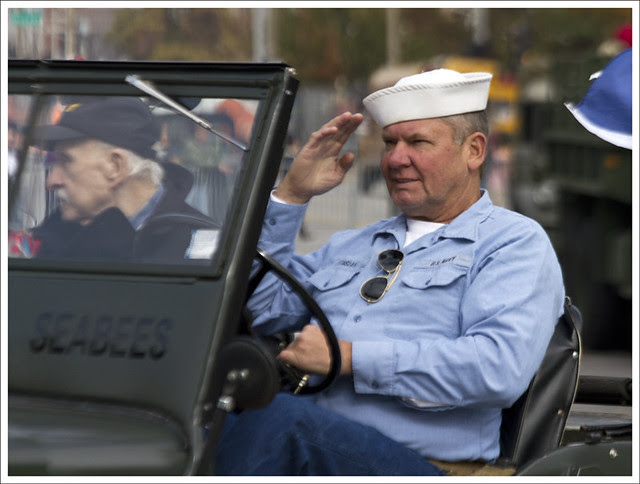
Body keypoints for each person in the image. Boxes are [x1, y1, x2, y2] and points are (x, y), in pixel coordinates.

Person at [213, 68, 565, 476]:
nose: (396, 159)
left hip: (426, 464)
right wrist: (292, 195)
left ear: (474, 150)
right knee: (207, 419)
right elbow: (264, 310)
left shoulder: (512, 242)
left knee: (277, 423)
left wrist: (350, 358)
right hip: (311, 443)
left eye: (418, 142)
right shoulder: (354, 243)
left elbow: (496, 369)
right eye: (389, 143)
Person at [30, 97, 220, 264]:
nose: (51, 181)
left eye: (66, 161)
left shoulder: (204, 253)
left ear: (115, 166)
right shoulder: (56, 235)